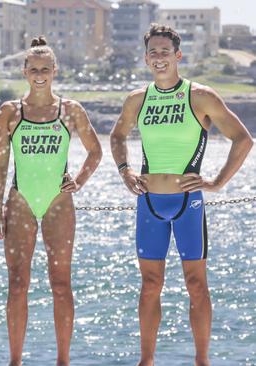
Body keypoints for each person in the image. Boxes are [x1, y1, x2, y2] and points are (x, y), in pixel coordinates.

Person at [110, 24, 253, 366]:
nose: (159, 58)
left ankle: (201, 360)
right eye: (153, 53)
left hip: (188, 203)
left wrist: (216, 182)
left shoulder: (199, 96)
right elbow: (117, 136)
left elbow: (243, 139)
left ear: (178, 56)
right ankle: (147, 361)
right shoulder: (137, 99)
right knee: (149, 284)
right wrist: (125, 171)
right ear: (146, 58)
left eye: (165, 52)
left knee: (196, 284)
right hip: (148, 204)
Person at [0, 36, 102, 366]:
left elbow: (96, 152)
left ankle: (63, 360)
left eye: (45, 69)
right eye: (33, 69)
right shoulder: (11, 111)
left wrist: (78, 181)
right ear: (25, 71)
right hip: (20, 199)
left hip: (58, 203)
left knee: (60, 283)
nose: (39, 74)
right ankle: (15, 360)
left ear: (55, 71)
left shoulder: (70, 110)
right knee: (17, 284)